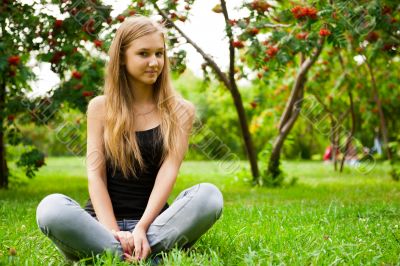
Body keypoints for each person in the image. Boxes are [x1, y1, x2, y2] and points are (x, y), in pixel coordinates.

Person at [36, 16, 223, 263]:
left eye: (159, 53)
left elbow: (169, 172)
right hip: (99, 226)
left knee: (209, 196)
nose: (154, 62)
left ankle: (112, 255)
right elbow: (96, 175)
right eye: (143, 54)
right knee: (50, 208)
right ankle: (139, 253)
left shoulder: (181, 111)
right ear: (122, 58)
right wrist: (112, 232)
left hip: (155, 225)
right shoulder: (100, 108)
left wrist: (142, 228)